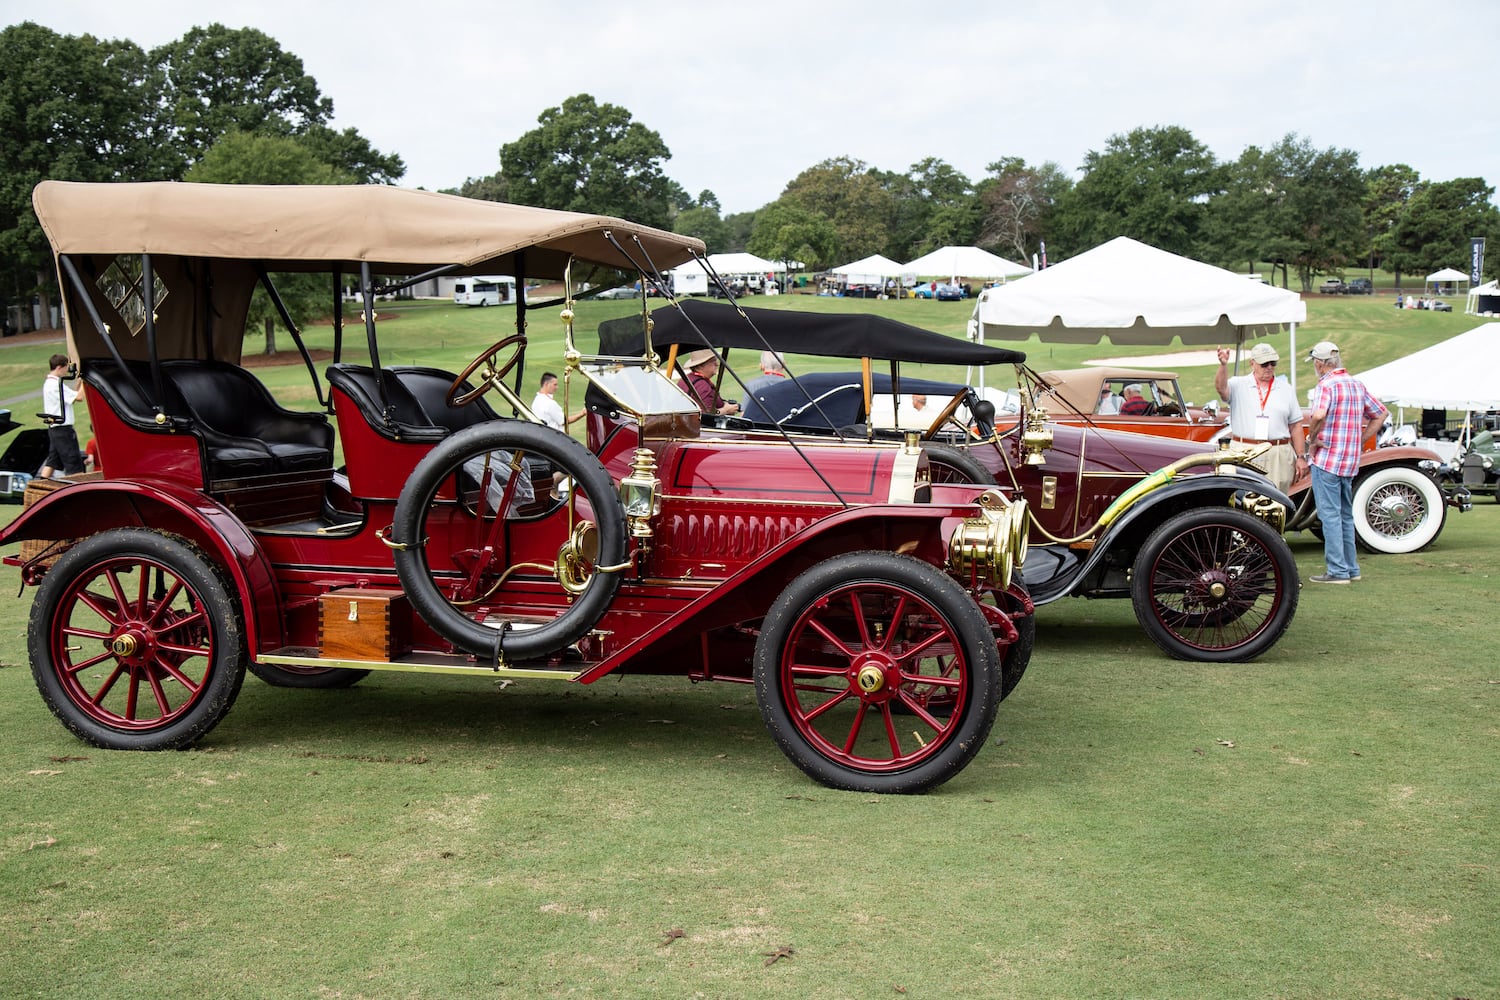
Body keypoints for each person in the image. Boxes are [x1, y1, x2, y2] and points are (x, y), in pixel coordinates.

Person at [1304, 341, 1387, 584]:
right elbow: (1380, 413)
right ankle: (1351, 568)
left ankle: (1337, 571)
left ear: (1320, 364)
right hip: (1350, 459)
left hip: (1328, 458)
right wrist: (1361, 438)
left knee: (1329, 515)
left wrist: (1312, 439)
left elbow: (1318, 414)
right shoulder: (1356, 384)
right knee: (1345, 515)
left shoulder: (1326, 385)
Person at [1214, 341, 1306, 491]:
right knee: (1243, 496)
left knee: (1278, 498)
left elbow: (1296, 426)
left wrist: (1301, 457)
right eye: (1264, 364)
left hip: (1278, 452)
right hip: (1245, 450)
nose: (1269, 367)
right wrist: (1223, 365)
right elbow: (1221, 388)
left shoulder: (1286, 389)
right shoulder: (1238, 384)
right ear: (1252, 364)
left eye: (1273, 363)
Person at [38, 353, 85, 479]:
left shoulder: (49, 383)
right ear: (59, 367)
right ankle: (77, 489)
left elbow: (72, 396)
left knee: (53, 461)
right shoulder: (56, 385)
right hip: (63, 430)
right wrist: (87, 379)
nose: (66, 371)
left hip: (54, 429)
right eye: (65, 368)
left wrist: (79, 381)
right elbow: (79, 397)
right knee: (73, 463)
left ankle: (40, 485)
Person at [682, 349, 739, 416]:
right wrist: (726, 410)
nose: (717, 364)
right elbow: (705, 416)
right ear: (700, 366)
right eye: (713, 361)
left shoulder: (687, 378)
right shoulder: (702, 386)